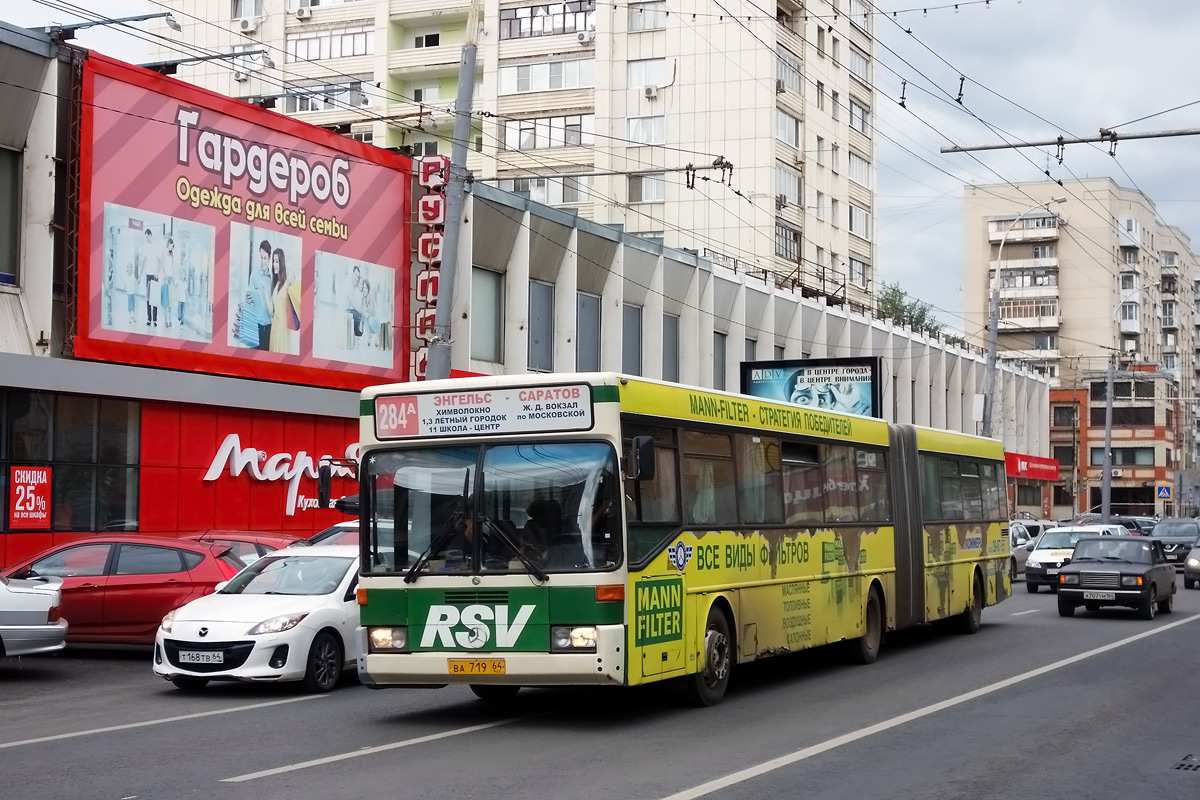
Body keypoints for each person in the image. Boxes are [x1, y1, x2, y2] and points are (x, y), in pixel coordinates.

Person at [268, 247, 296, 354]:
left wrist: (291, 277)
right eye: (273, 261)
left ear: (281, 262)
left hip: (284, 327)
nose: (274, 264)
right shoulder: (276, 283)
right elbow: (271, 310)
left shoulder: (288, 280)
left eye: (276, 261)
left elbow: (294, 283)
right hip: (275, 325)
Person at [139, 228, 162, 328]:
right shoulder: (146, 247)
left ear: (150, 235)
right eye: (145, 237)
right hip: (148, 275)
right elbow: (143, 262)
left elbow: (160, 261)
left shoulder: (156, 247)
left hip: (155, 275)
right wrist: (140, 276)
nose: (146, 239)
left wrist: (157, 272)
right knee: (148, 298)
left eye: (147, 237)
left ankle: (155, 320)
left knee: (154, 298)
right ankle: (149, 318)